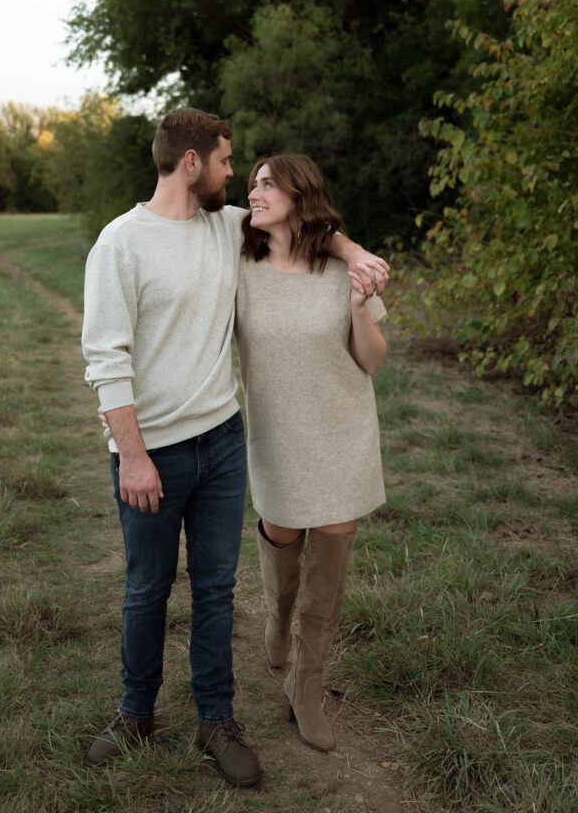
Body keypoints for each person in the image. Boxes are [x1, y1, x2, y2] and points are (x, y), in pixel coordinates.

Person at [81, 108, 388, 786]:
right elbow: (104, 357)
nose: (236, 177)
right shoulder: (120, 243)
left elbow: (311, 227)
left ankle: (216, 721)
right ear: (192, 164)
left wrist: (354, 252)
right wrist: (130, 454)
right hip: (152, 450)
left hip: (220, 439)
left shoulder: (226, 229)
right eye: (226, 163)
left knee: (216, 590)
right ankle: (134, 714)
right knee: (146, 590)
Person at [234, 154, 387, 753]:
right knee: (282, 536)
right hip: (275, 433)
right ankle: (276, 619)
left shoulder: (339, 271)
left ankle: (308, 682)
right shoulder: (239, 266)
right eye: (251, 181)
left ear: (301, 196)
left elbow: (372, 361)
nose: (255, 191)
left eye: (268, 183)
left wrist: (355, 308)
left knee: (330, 553)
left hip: (342, 431)